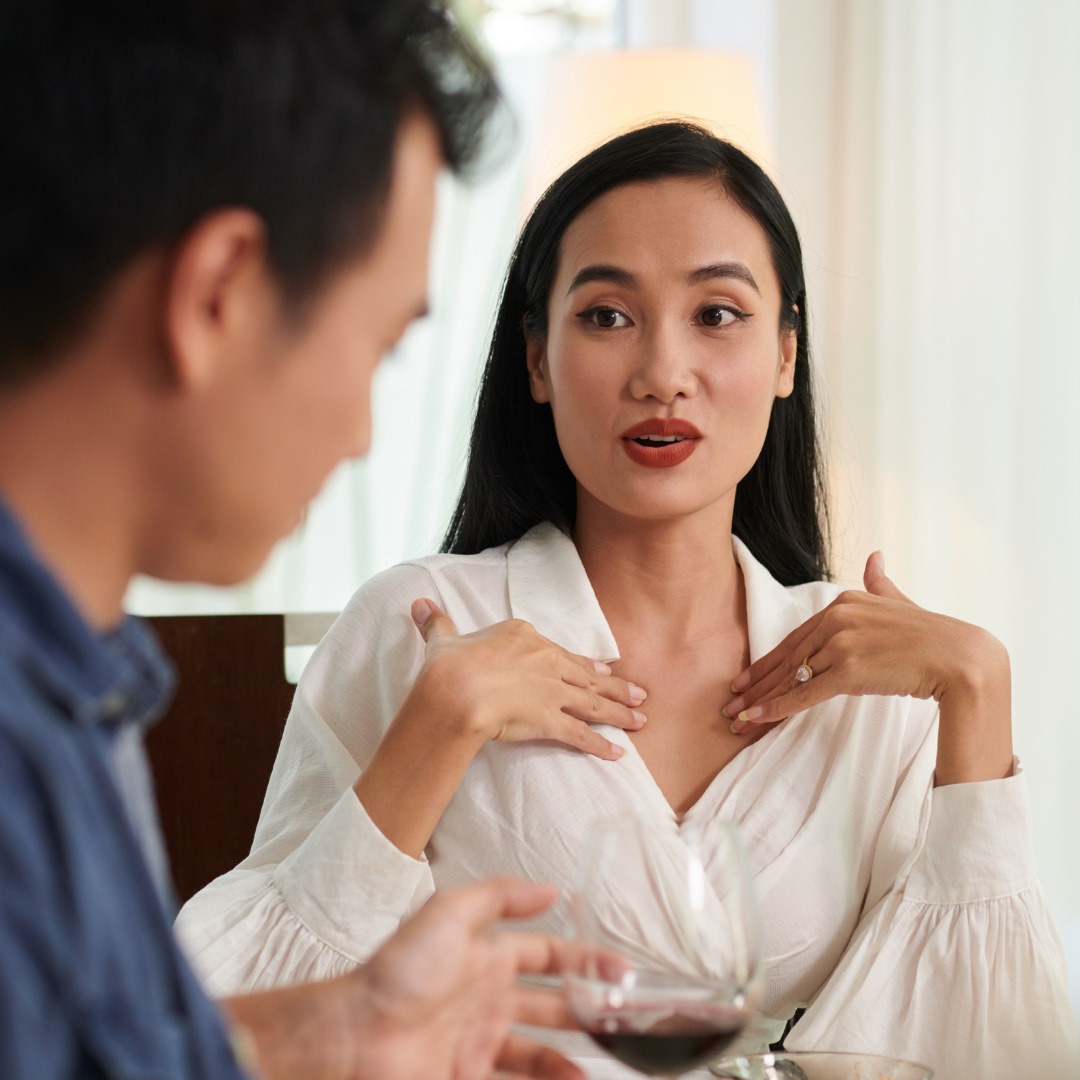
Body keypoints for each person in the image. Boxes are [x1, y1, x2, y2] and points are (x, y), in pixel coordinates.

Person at [178, 122, 1078, 1080]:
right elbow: (231, 1028)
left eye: (718, 313)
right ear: (535, 359)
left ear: (785, 356)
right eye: (607, 315)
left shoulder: (871, 679)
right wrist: (437, 727)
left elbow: (982, 1052)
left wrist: (977, 693)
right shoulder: (418, 626)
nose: (661, 375)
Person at [0, 1, 643, 1077]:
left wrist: (337, 1032)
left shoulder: (80, 682)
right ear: (218, 293)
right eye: (380, 346)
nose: (360, 436)